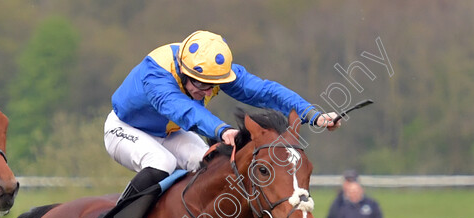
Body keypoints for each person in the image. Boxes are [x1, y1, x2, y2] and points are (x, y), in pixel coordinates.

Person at [104, 29, 341, 202]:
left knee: (211, 165)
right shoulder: (155, 75)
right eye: (200, 84)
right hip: (125, 129)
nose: (206, 91)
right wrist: (222, 130)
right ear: (183, 71)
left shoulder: (214, 70)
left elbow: (266, 92)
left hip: (172, 132)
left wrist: (313, 114)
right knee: (162, 163)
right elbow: (186, 111)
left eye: (212, 86)